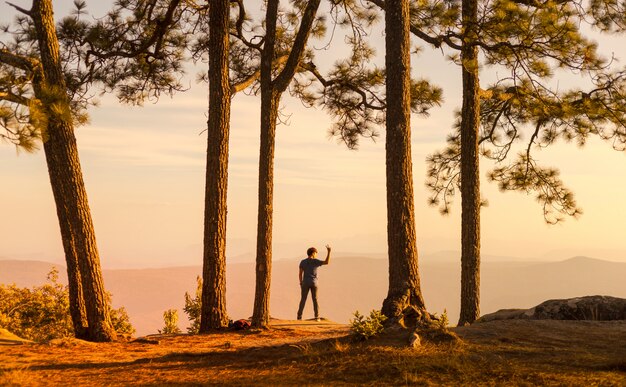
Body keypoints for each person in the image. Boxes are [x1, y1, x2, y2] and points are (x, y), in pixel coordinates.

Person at [297, 244, 331, 322]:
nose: (316, 255)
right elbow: (327, 262)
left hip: (305, 282)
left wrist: (301, 282)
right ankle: (317, 317)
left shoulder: (303, 262)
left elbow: (300, 274)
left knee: (303, 299)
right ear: (313, 253)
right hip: (314, 283)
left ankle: (299, 316)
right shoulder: (315, 261)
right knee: (315, 299)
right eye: (316, 253)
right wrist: (329, 252)